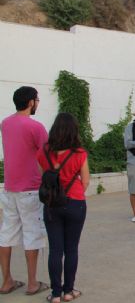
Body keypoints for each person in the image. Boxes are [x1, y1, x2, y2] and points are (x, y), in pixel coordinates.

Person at [0, 86, 49, 296]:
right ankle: (31, 283)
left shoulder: (5, 123)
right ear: (31, 102)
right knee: (32, 234)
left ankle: (7, 281)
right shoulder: (36, 127)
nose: (37, 103)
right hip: (30, 188)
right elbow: (47, 157)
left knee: (6, 235)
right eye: (37, 100)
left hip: (9, 187)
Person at [36, 113, 90, 303]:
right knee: (71, 249)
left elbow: (45, 178)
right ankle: (69, 291)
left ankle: (56, 293)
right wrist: (73, 193)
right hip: (75, 202)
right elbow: (85, 182)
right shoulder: (79, 153)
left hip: (52, 205)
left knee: (55, 250)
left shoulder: (43, 152)